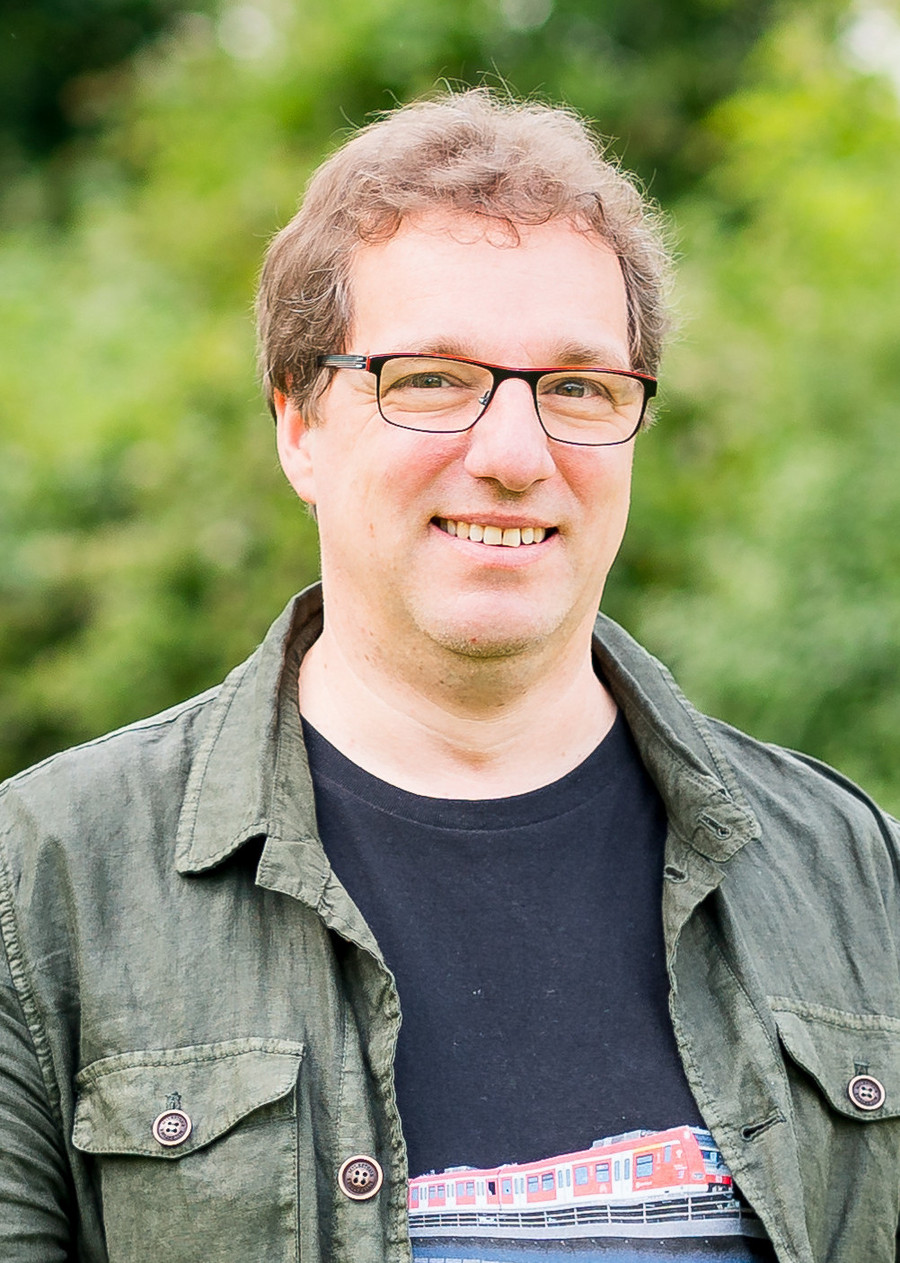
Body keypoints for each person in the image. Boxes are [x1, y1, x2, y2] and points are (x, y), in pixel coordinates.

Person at [0, 88, 898, 1263]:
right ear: (298, 425)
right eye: (430, 379)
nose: (515, 455)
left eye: (578, 387)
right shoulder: (44, 886)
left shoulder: (853, 877)